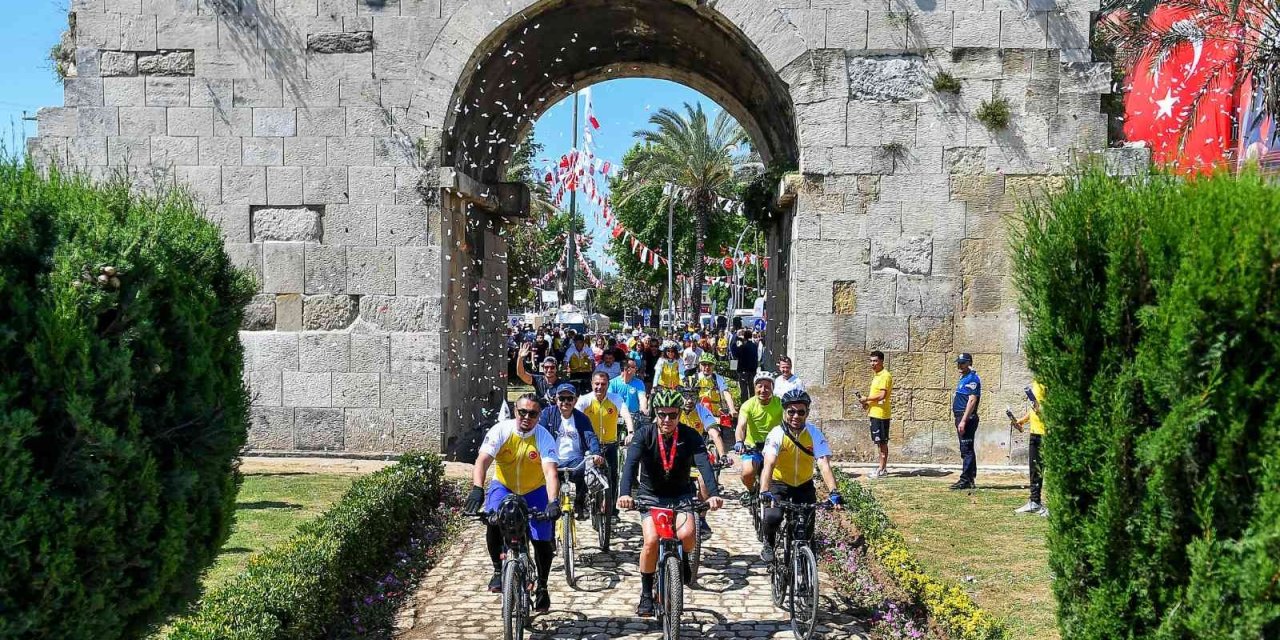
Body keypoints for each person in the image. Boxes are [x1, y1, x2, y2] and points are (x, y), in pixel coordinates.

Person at [617, 388, 725, 617]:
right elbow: (630, 465)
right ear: (655, 413)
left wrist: (713, 494)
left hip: (681, 495)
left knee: (688, 535)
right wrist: (625, 493)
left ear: (679, 414)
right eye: (662, 414)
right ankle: (646, 594)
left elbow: (704, 465)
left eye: (673, 415)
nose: (667, 420)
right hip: (650, 496)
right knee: (651, 541)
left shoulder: (690, 435)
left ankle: (683, 560)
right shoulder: (644, 434)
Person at [464, 393, 561, 611]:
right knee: (493, 521)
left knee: (542, 539)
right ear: (515, 411)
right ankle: (498, 570)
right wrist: (477, 489)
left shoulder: (544, 437)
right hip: (504, 486)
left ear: (539, 416)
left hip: (535, 490)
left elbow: (550, 472)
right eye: (522, 412)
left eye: (533, 414)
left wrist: (553, 502)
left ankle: (542, 586)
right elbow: (482, 461)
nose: (527, 417)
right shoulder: (501, 430)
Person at [758, 389, 843, 562]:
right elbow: (769, 463)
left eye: (801, 412)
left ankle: (804, 566)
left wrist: (834, 491)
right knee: (773, 516)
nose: (796, 416)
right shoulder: (777, 433)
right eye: (791, 412)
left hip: (804, 485)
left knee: (806, 530)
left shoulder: (814, 433)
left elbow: (823, 464)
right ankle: (768, 542)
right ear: (784, 412)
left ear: (807, 413)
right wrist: (764, 490)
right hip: (779, 484)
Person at [538, 383, 605, 517]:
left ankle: (580, 504)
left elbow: (590, 436)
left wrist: (596, 453)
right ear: (556, 399)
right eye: (562, 398)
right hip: (553, 459)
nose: (566, 402)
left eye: (569, 398)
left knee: (584, 472)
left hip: (575, 460)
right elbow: (539, 434)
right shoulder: (547, 414)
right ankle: (551, 505)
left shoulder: (582, 418)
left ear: (575, 400)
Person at [577, 371, 634, 512]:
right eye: (597, 384)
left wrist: (630, 432)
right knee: (584, 475)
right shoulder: (585, 400)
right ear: (591, 384)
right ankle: (581, 506)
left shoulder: (615, 398)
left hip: (610, 444)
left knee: (613, 476)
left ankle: (611, 509)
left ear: (608, 385)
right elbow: (575, 416)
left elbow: (626, 414)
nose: (599, 387)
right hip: (590, 446)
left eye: (603, 384)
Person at [734, 371, 783, 496]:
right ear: (754, 387)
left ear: (772, 388)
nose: (763, 390)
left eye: (767, 386)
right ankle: (751, 491)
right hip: (753, 447)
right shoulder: (748, 405)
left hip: (774, 447)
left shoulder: (780, 404)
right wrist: (739, 441)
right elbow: (741, 426)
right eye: (759, 386)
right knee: (747, 473)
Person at [1009, 380, 1048, 516]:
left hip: (1048, 432)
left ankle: (1056, 506)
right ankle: (1034, 502)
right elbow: (1035, 407)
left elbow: (1058, 407)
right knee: (1034, 470)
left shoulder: (1052, 378)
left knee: (1052, 471)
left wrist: (1042, 410)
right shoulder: (1037, 381)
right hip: (1035, 432)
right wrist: (1021, 420)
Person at [858, 350, 892, 479]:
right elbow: (876, 397)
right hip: (875, 413)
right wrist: (867, 403)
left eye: (875, 361)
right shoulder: (877, 375)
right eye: (871, 361)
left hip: (881, 415)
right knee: (879, 442)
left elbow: (882, 395)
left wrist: (867, 399)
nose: (873, 363)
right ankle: (882, 468)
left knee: (882, 442)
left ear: (881, 361)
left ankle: (882, 470)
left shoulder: (885, 376)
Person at [952, 353, 981, 490]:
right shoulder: (964, 377)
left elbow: (972, 401)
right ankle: (970, 478)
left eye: (963, 363)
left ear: (969, 363)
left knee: (966, 449)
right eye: (959, 363)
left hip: (966, 417)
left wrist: (963, 420)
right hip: (960, 416)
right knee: (967, 448)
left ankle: (965, 480)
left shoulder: (972, 378)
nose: (960, 365)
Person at [690, 352, 737, 426]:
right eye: (704, 364)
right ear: (700, 365)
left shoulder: (718, 378)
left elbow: (726, 393)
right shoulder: (694, 378)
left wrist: (732, 409)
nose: (707, 367)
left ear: (714, 366)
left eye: (710, 364)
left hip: (715, 412)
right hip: (699, 411)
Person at [515, 342, 563, 407]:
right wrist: (520, 358)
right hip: (540, 411)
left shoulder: (562, 384)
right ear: (543, 368)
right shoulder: (538, 380)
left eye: (552, 367)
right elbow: (521, 374)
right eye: (546, 367)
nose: (549, 370)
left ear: (556, 369)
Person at [730, 329, 760, 403]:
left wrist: (735, 340)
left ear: (744, 337)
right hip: (753, 371)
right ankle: (753, 403)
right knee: (752, 389)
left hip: (743, 371)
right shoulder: (754, 346)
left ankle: (745, 404)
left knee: (744, 390)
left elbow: (734, 352)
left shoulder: (743, 347)